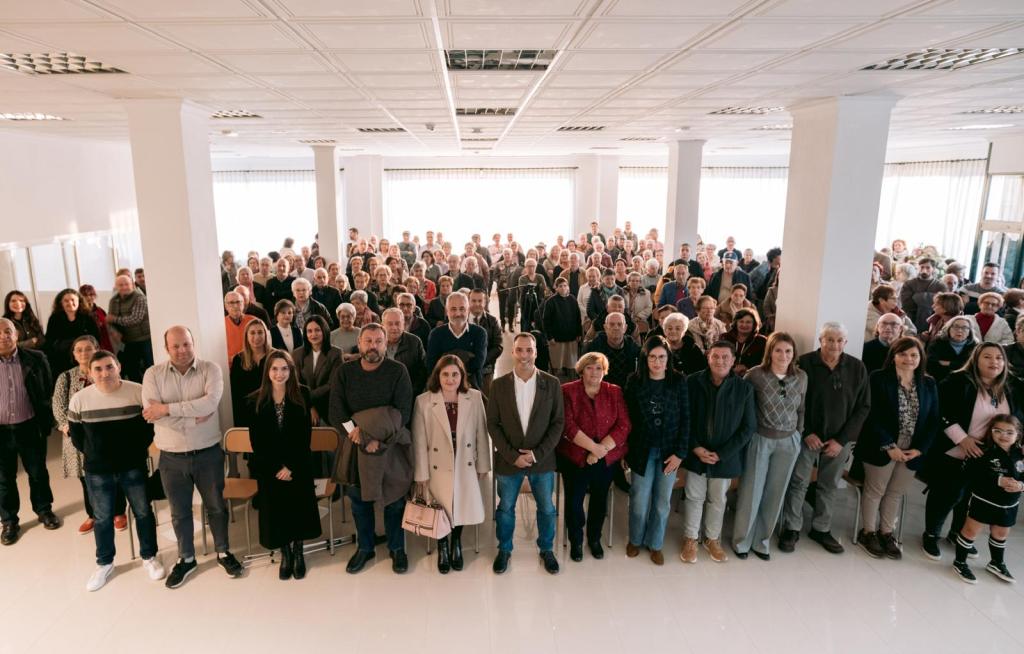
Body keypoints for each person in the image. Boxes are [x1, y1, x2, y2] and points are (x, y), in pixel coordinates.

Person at [142, 326, 243, 588]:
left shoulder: (211, 370)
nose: (182, 350)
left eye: (186, 344)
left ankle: (223, 551)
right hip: (171, 457)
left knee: (217, 507)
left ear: (193, 343)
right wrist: (190, 417)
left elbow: (210, 404)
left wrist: (167, 410)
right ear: (167, 348)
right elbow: (152, 413)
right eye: (175, 346)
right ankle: (186, 558)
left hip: (208, 452)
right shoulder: (153, 374)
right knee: (179, 512)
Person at [67, 350, 163, 590]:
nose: (104, 373)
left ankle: (149, 557)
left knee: (142, 512)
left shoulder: (137, 391)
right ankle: (105, 563)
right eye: (98, 369)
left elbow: (148, 427)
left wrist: (133, 451)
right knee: (101, 517)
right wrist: (97, 454)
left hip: (133, 466)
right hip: (98, 470)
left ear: (118, 366)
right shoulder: (79, 399)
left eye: (109, 367)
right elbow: (77, 437)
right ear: (89, 373)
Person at [921, 343, 1023, 561]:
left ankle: (957, 534)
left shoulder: (1012, 386)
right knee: (946, 495)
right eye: (987, 357)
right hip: (957, 448)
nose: (994, 362)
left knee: (972, 498)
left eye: (999, 358)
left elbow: (1018, 420)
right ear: (976, 359)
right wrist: (963, 439)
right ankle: (931, 535)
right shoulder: (957, 381)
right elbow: (940, 413)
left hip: (989, 458)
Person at [329, 323, 415, 575]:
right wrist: (355, 433)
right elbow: (336, 410)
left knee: (394, 500)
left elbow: (403, 411)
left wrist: (375, 437)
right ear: (359, 342)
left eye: (378, 341)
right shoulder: (345, 372)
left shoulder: (398, 371)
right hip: (355, 446)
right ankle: (365, 547)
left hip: (389, 447)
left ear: (386, 344)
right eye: (368, 341)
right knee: (359, 501)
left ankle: (397, 547)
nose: (373, 346)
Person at [779, 322, 870, 555]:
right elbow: (793, 402)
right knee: (798, 482)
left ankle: (821, 528)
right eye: (830, 339)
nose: (835, 344)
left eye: (840, 340)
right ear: (821, 341)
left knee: (829, 484)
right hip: (807, 437)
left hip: (839, 441)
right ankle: (791, 527)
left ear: (846, 343)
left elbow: (863, 407)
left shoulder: (857, 367)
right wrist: (806, 431)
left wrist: (842, 440)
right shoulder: (804, 364)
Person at [854, 337, 939, 560]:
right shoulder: (879, 378)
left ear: (921, 358)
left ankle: (886, 533)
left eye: (914, 355)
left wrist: (920, 449)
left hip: (912, 448)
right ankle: (868, 532)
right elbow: (871, 414)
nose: (909, 359)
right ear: (893, 356)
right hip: (881, 445)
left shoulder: (928, 383)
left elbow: (933, 420)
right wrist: (888, 445)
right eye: (903, 354)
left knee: (895, 493)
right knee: (875, 490)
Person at [488, 332, 565, 575]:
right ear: (512, 352)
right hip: (509, 461)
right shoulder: (498, 385)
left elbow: (558, 423)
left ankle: (546, 549)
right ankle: (505, 549)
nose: (524, 355)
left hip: (541, 461)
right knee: (505, 508)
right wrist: (513, 455)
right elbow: (493, 424)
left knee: (546, 508)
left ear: (536, 352)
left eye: (529, 350)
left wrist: (536, 454)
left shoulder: (551, 383)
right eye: (519, 350)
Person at [732, 332, 807, 560]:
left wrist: (798, 433)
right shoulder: (755, 375)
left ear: (793, 354)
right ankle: (742, 541)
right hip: (761, 439)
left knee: (776, 492)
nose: (783, 355)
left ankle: (761, 541)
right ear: (770, 352)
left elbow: (801, 408)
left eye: (788, 351)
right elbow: (742, 406)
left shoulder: (801, 377)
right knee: (751, 491)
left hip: (789, 441)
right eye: (778, 350)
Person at [412, 355, 490, 574]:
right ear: (438, 375)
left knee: (461, 503)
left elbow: (481, 433)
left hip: (464, 461)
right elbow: (419, 441)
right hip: (437, 463)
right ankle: (442, 545)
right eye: (445, 374)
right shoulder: (424, 401)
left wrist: (483, 464)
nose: (450, 379)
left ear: (462, 376)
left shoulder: (473, 397)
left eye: (455, 374)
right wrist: (421, 472)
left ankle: (456, 541)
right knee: (440, 506)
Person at [680, 341, 756, 564]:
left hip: (725, 457)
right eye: (716, 357)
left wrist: (722, 454)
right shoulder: (692, 382)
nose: (720, 361)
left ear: (733, 361)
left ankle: (712, 539)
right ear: (708, 357)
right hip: (696, 453)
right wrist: (695, 447)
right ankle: (691, 538)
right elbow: (684, 418)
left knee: (717, 499)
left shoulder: (744, 388)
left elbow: (748, 427)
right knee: (694, 497)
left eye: (725, 357)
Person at [248, 350, 321, 580]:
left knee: (297, 506)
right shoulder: (254, 400)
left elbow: (304, 438)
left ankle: (298, 551)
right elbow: (256, 443)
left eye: (285, 369)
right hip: (269, 467)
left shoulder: (303, 395)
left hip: (297, 464)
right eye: (275, 369)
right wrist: (275, 469)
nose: (280, 374)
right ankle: (285, 553)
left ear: (291, 371)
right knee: (276, 509)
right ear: (267, 372)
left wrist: (290, 467)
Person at [557, 352, 630, 562]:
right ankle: (576, 540)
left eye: (599, 368)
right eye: (589, 367)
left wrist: (600, 451)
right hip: (574, 456)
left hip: (605, 458)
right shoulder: (567, 391)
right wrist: (592, 450)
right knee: (574, 501)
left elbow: (624, 425)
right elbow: (568, 426)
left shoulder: (614, 392)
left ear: (604, 371)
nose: (594, 372)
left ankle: (595, 538)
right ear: (581, 370)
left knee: (599, 500)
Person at [53, 335, 127, 535]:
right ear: (74, 354)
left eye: (88, 349)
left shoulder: (107, 372)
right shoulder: (66, 377)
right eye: (79, 350)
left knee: (114, 474)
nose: (84, 353)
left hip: (108, 435)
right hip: (78, 439)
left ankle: (119, 512)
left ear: (97, 349)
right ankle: (93, 514)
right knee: (87, 479)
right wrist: (67, 427)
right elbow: (58, 407)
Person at [624, 336, 688, 565]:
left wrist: (680, 454)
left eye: (662, 357)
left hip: (670, 452)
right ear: (645, 358)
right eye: (652, 357)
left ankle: (656, 544)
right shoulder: (634, 381)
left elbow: (685, 419)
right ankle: (635, 539)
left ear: (668, 358)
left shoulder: (679, 381)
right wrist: (626, 453)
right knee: (639, 499)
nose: (657, 362)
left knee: (662, 502)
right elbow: (627, 420)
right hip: (642, 450)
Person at [0, 318, 59, 545]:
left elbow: (46, 390)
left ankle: (44, 510)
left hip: (29, 426)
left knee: (38, 472)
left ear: (16, 335)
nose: (4, 336)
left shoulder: (36, 358)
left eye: (8, 331)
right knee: (4, 480)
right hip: (1, 433)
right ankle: (9, 521)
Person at [951, 414, 1024, 584]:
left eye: (1009, 432)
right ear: (990, 432)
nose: (1003, 435)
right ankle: (960, 562)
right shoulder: (982, 451)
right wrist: (998, 480)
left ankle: (996, 562)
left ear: (1018, 434)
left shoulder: (1019, 454)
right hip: (984, 500)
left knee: (1001, 533)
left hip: (1009, 503)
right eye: (997, 431)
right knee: (971, 531)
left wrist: (1020, 486)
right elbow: (971, 475)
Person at [426, 292, 488, 390]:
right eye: (453, 309)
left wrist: (445, 358)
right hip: (443, 387)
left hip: (471, 386)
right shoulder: (436, 334)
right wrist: (466, 356)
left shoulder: (480, 333)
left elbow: (478, 363)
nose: (458, 314)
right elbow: (431, 364)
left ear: (468, 310)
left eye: (462, 309)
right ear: (447, 311)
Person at [293, 315, 342, 425]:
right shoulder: (297, 354)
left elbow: (332, 384)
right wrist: (310, 406)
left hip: (328, 403)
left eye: (317, 330)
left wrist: (309, 398)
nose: (313, 334)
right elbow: (296, 383)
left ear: (324, 330)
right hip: (303, 404)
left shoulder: (336, 353)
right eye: (309, 331)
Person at [107, 275, 153, 382]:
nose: (124, 287)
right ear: (116, 287)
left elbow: (135, 319)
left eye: (126, 284)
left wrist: (115, 319)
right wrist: (114, 328)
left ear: (132, 285)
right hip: (128, 341)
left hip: (144, 339)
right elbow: (109, 319)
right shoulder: (113, 300)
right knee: (131, 368)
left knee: (150, 367)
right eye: (120, 285)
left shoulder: (140, 298)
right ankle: (137, 389)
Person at [46, 288, 100, 375]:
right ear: (61, 303)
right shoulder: (55, 318)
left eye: (73, 300)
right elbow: (49, 341)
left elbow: (96, 338)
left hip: (85, 357)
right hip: (62, 359)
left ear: (79, 301)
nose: (70, 303)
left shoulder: (88, 317)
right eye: (66, 301)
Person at [229, 319, 270, 429]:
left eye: (260, 332)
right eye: (252, 333)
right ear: (246, 336)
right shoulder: (239, 359)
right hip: (246, 413)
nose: (256, 337)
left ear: (266, 334)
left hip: (270, 410)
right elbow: (235, 391)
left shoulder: (275, 356)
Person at [583, 311, 640, 388]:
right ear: (605, 327)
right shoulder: (593, 348)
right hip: (601, 390)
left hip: (626, 390)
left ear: (625, 328)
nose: (616, 327)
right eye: (611, 324)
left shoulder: (632, 347)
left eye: (619, 324)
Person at [542, 277, 583, 380]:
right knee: (556, 364)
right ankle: (553, 383)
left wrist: (579, 333)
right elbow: (546, 321)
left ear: (568, 287)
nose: (563, 288)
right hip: (556, 339)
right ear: (556, 288)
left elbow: (578, 318)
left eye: (565, 285)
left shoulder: (572, 299)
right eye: (560, 286)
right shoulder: (551, 301)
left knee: (572, 364)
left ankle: (572, 383)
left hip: (571, 337)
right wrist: (549, 336)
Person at [380, 307, 427, 396]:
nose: (394, 327)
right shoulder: (376, 342)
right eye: (390, 324)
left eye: (398, 323)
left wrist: (412, 391)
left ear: (403, 324)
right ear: (382, 325)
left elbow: (423, 371)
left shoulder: (414, 342)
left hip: (409, 393)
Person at [467, 288, 502, 395]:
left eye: (480, 301)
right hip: (466, 369)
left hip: (486, 368)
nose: (477, 304)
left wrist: (481, 361)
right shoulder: (462, 319)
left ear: (485, 302)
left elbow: (498, 346)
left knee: (486, 400)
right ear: (468, 301)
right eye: (473, 301)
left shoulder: (493, 321)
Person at [926, 315, 976, 383]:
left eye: (964, 328)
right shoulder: (938, 342)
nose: (959, 330)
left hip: (966, 383)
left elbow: (973, 367)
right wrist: (959, 364)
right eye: (956, 327)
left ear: (969, 332)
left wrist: (948, 363)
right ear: (949, 329)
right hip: (939, 381)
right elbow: (930, 364)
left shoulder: (975, 346)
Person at [900, 258, 945, 331]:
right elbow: (906, 304)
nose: (924, 270)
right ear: (918, 268)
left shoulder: (941, 286)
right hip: (911, 318)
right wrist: (932, 298)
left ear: (933, 269)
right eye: (922, 267)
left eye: (928, 267)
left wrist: (917, 297)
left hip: (934, 320)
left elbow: (943, 305)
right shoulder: (909, 284)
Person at [722, 308, 766, 376]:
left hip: (752, 377)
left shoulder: (762, 341)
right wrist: (732, 368)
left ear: (754, 324)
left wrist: (747, 368)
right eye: (741, 321)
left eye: (748, 322)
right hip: (726, 375)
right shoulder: (725, 338)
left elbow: (765, 362)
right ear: (736, 323)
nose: (744, 325)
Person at [224, 291, 257, 362]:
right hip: (230, 367)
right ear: (226, 306)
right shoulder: (221, 324)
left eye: (238, 302)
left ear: (243, 304)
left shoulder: (253, 321)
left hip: (252, 362)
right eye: (231, 303)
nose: (235, 306)